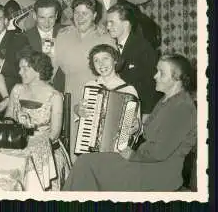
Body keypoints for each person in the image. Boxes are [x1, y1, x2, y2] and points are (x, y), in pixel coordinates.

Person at [63, 54, 197, 191]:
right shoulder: (167, 100)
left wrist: (132, 155)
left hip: (157, 173)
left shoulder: (182, 108)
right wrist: (139, 127)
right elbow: (154, 130)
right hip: (145, 162)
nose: (155, 76)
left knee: (87, 164)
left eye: (161, 73)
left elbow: (159, 151)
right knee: (86, 161)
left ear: (178, 80)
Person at [54, 0, 115, 159]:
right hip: (71, 100)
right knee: (73, 152)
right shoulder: (63, 35)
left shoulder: (106, 37)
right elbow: (51, 69)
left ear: (95, 16)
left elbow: (112, 75)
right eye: (76, 13)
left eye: (85, 13)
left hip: (98, 99)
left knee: (95, 153)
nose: (79, 18)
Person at [4, 50, 71, 190]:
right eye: (20, 68)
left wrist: (31, 146)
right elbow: (9, 115)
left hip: (47, 151)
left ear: (38, 70)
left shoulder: (55, 96)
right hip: (18, 145)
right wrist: (9, 125)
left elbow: (54, 134)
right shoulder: (17, 89)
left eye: (25, 68)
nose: (20, 72)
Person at [74, 44, 141, 150]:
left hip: (118, 150)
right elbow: (80, 111)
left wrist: (136, 127)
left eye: (105, 58)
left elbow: (137, 126)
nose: (101, 64)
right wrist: (78, 110)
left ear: (115, 60)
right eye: (96, 60)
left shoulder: (129, 90)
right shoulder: (90, 86)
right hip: (91, 146)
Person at [106, 3, 161, 119]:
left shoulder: (144, 48)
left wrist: (145, 116)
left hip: (137, 111)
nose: (108, 27)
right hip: (116, 108)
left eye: (112, 22)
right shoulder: (109, 47)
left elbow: (150, 86)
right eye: (107, 23)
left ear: (126, 24)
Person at [0, 3, 30, 95]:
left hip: (13, 98)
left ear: (6, 21)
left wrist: (0, 62)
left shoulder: (20, 40)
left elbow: (27, 72)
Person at [25, 0, 66, 92]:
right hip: (35, 93)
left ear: (56, 15)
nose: (47, 23)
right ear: (34, 16)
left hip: (63, 91)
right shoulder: (24, 38)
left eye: (51, 17)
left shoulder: (67, 31)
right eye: (42, 17)